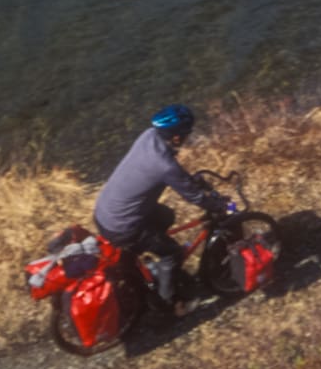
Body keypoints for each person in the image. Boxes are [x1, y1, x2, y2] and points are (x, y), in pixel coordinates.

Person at [92, 103, 228, 311]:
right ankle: (168, 305)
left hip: (105, 213)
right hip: (124, 227)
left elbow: (172, 174)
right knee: (172, 253)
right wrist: (217, 205)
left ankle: (157, 269)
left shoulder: (148, 136)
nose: (187, 137)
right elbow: (192, 195)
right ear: (176, 137)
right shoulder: (164, 165)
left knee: (166, 216)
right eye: (186, 133)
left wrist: (190, 180)